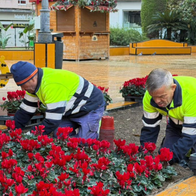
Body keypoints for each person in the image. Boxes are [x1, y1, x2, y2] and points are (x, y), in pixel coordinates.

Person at [10, 61, 105, 139]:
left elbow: (52, 120)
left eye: (22, 85)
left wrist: (31, 136)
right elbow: (25, 112)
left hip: (90, 106)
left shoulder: (51, 86)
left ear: (32, 79)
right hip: (71, 110)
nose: (22, 89)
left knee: (85, 143)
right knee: (59, 136)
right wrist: (13, 131)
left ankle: (94, 130)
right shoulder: (34, 85)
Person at [140, 68, 196, 165]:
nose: (157, 101)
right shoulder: (149, 97)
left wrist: (171, 159)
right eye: (154, 96)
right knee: (165, 155)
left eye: (162, 96)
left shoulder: (191, 94)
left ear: (173, 88)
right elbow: (149, 129)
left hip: (193, 123)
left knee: (192, 160)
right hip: (176, 124)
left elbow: (189, 136)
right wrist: (145, 155)